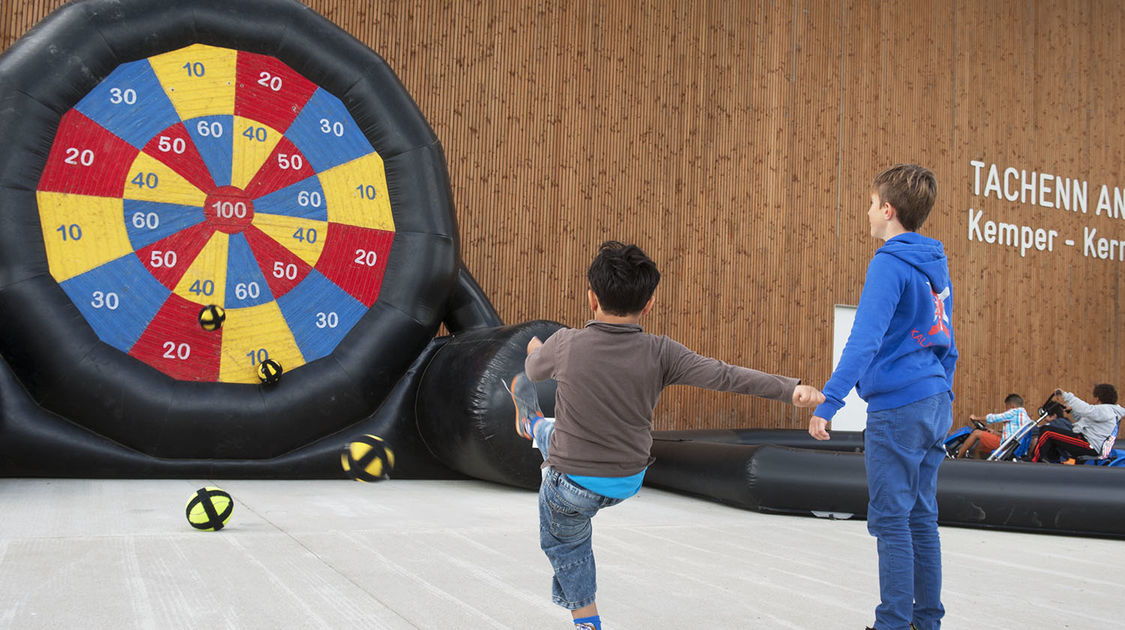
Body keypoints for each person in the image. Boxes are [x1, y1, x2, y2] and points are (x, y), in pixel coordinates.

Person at [510, 241, 824, 630]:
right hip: (627, 479)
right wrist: (789, 391)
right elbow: (725, 375)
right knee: (558, 429)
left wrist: (535, 348)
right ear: (650, 304)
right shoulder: (662, 352)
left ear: (592, 298)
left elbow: (534, 372)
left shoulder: (566, 344)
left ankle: (585, 620)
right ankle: (538, 426)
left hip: (572, 482)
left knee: (566, 542)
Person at [807, 164, 957, 630]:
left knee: (891, 519)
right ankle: (926, 621)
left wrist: (829, 402)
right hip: (935, 399)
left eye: (872, 203)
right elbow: (947, 339)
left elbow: (864, 340)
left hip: (900, 406)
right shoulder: (934, 264)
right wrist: (941, 388)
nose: (868, 211)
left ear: (887, 210)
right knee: (921, 518)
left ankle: (892, 622)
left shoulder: (890, 262)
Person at [1030, 384, 1124, 463]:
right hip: (1087, 443)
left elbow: (1087, 410)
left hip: (1088, 445)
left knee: (1047, 432)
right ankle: (1051, 461)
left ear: (1097, 398)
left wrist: (1065, 395)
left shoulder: (1105, 410)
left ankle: (1034, 460)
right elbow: (1085, 420)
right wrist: (1072, 411)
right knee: (1054, 436)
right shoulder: (1107, 412)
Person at [956, 393, 1031, 459]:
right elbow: (1013, 435)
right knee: (979, 447)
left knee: (976, 433)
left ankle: (957, 456)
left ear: (1012, 406)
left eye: (1007, 407)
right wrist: (994, 432)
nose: (1006, 410)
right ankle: (979, 468)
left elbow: (994, 418)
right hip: (1013, 445)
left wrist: (976, 418)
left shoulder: (1015, 412)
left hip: (1006, 445)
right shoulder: (1025, 417)